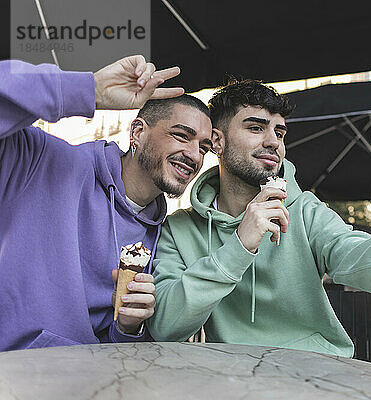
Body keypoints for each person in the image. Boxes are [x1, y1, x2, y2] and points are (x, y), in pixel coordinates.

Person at [147, 80, 371, 357]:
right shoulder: (179, 229)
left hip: (316, 372)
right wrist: (240, 245)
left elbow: (363, 258)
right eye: (256, 127)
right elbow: (165, 326)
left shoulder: (305, 210)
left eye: (279, 131)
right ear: (217, 141)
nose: (273, 141)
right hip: (236, 380)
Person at [0, 56, 212, 351]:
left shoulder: (162, 238)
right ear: (138, 132)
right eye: (181, 135)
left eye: (204, 147)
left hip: (90, 383)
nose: (195, 155)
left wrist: (127, 327)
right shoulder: (41, 160)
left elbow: (113, 349)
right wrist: (91, 90)